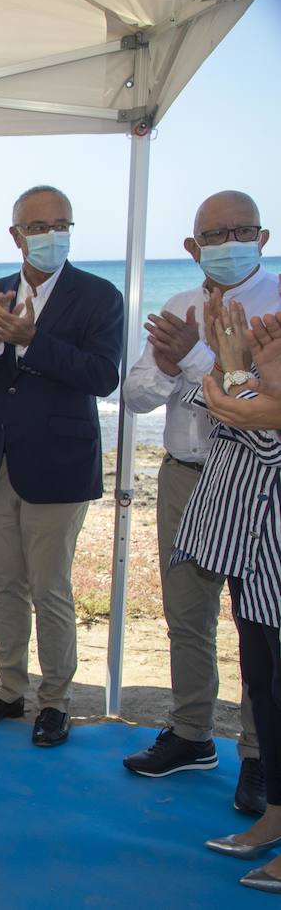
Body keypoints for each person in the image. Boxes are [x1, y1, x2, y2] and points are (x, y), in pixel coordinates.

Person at [0, 186, 124, 748]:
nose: (50, 235)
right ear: (16, 235)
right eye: (38, 226)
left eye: (61, 224)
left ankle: (55, 700)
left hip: (58, 466)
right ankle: (8, 689)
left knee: (50, 587)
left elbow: (102, 376)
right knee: (5, 584)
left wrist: (31, 340)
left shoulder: (99, 296)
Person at [120, 191, 271, 813]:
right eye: (214, 235)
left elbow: (261, 404)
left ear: (263, 238)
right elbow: (133, 397)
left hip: (260, 484)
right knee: (187, 615)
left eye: (241, 231)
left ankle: (263, 756)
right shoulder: (179, 307)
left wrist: (195, 357)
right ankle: (191, 733)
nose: (227, 243)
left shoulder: (279, 307)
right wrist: (166, 363)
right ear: (192, 247)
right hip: (187, 476)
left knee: (262, 626)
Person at [185, 297, 281, 894]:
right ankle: (276, 811)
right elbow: (230, 420)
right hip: (256, 555)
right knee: (266, 687)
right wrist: (245, 372)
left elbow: (260, 434)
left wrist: (248, 380)